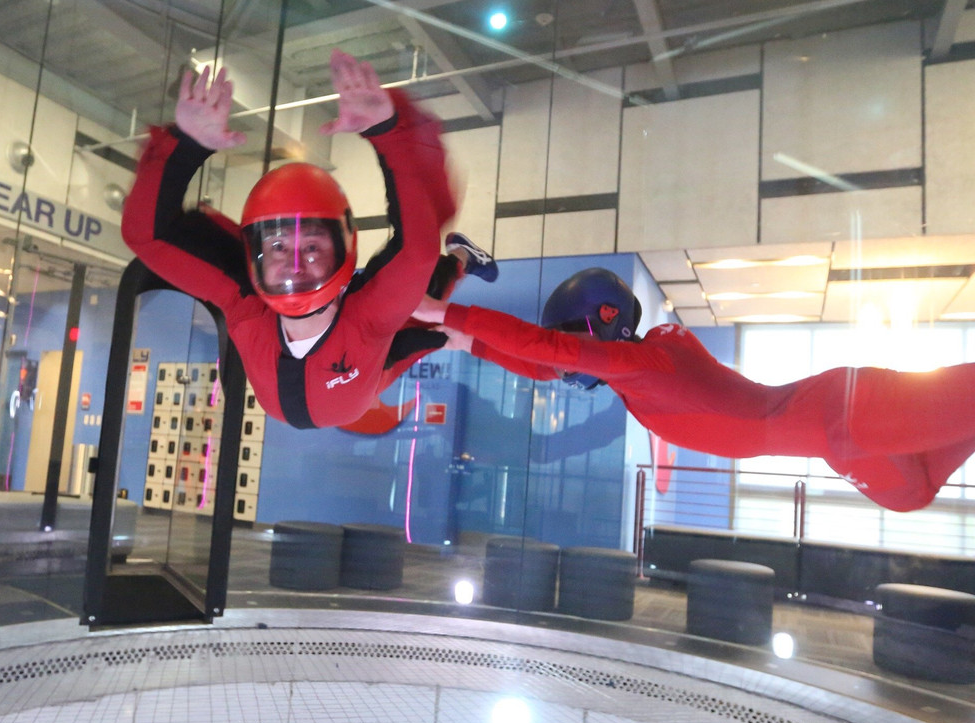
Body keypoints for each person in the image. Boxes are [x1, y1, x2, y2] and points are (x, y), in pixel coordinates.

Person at [122, 49, 496, 430]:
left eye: (313, 246)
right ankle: (460, 269)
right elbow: (149, 235)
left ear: (343, 249)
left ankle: (463, 257)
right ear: (257, 254)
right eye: (279, 246)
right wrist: (186, 145)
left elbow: (417, 253)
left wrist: (185, 146)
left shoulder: (278, 310)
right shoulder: (247, 300)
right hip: (362, 381)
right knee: (423, 311)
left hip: (367, 380)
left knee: (429, 300)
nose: (294, 263)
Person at [411, 267, 975, 513]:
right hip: (836, 441)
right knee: (911, 493)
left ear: (604, 319)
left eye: (567, 336)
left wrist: (447, 311)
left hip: (848, 413)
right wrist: (464, 344)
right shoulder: (634, 375)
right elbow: (548, 367)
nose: (562, 353)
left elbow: (549, 353)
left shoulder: (648, 364)